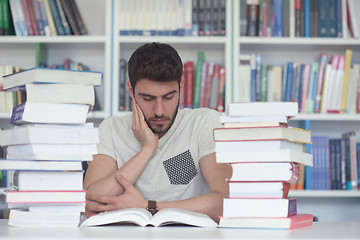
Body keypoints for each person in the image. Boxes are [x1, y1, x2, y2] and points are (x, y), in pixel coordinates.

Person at [84, 42, 232, 221]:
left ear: (181, 87)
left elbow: (225, 201)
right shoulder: (111, 129)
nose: (159, 111)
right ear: (131, 91)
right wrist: (148, 149)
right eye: (148, 98)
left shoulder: (203, 123)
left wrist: (148, 207)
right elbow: (89, 202)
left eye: (169, 97)